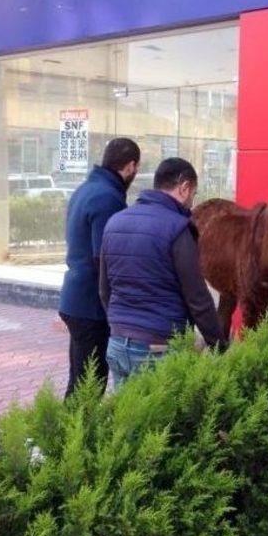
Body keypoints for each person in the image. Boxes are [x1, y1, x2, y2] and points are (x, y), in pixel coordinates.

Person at [100, 157, 227, 387]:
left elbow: (104, 289)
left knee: (127, 419)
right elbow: (198, 299)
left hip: (117, 343)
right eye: (193, 194)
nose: (191, 202)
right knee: (161, 420)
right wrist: (219, 346)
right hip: (158, 348)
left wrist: (121, 325)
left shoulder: (114, 222)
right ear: (184, 187)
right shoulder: (177, 228)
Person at [58, 137, 140, 398]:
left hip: (76, 300)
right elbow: (105, 260)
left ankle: (69, 435)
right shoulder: (108, 199)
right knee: (89, 387)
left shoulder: (86, 189)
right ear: (130, 166)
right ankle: (73, 438)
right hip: (91, 306)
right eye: (136, 169)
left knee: (80, 383)